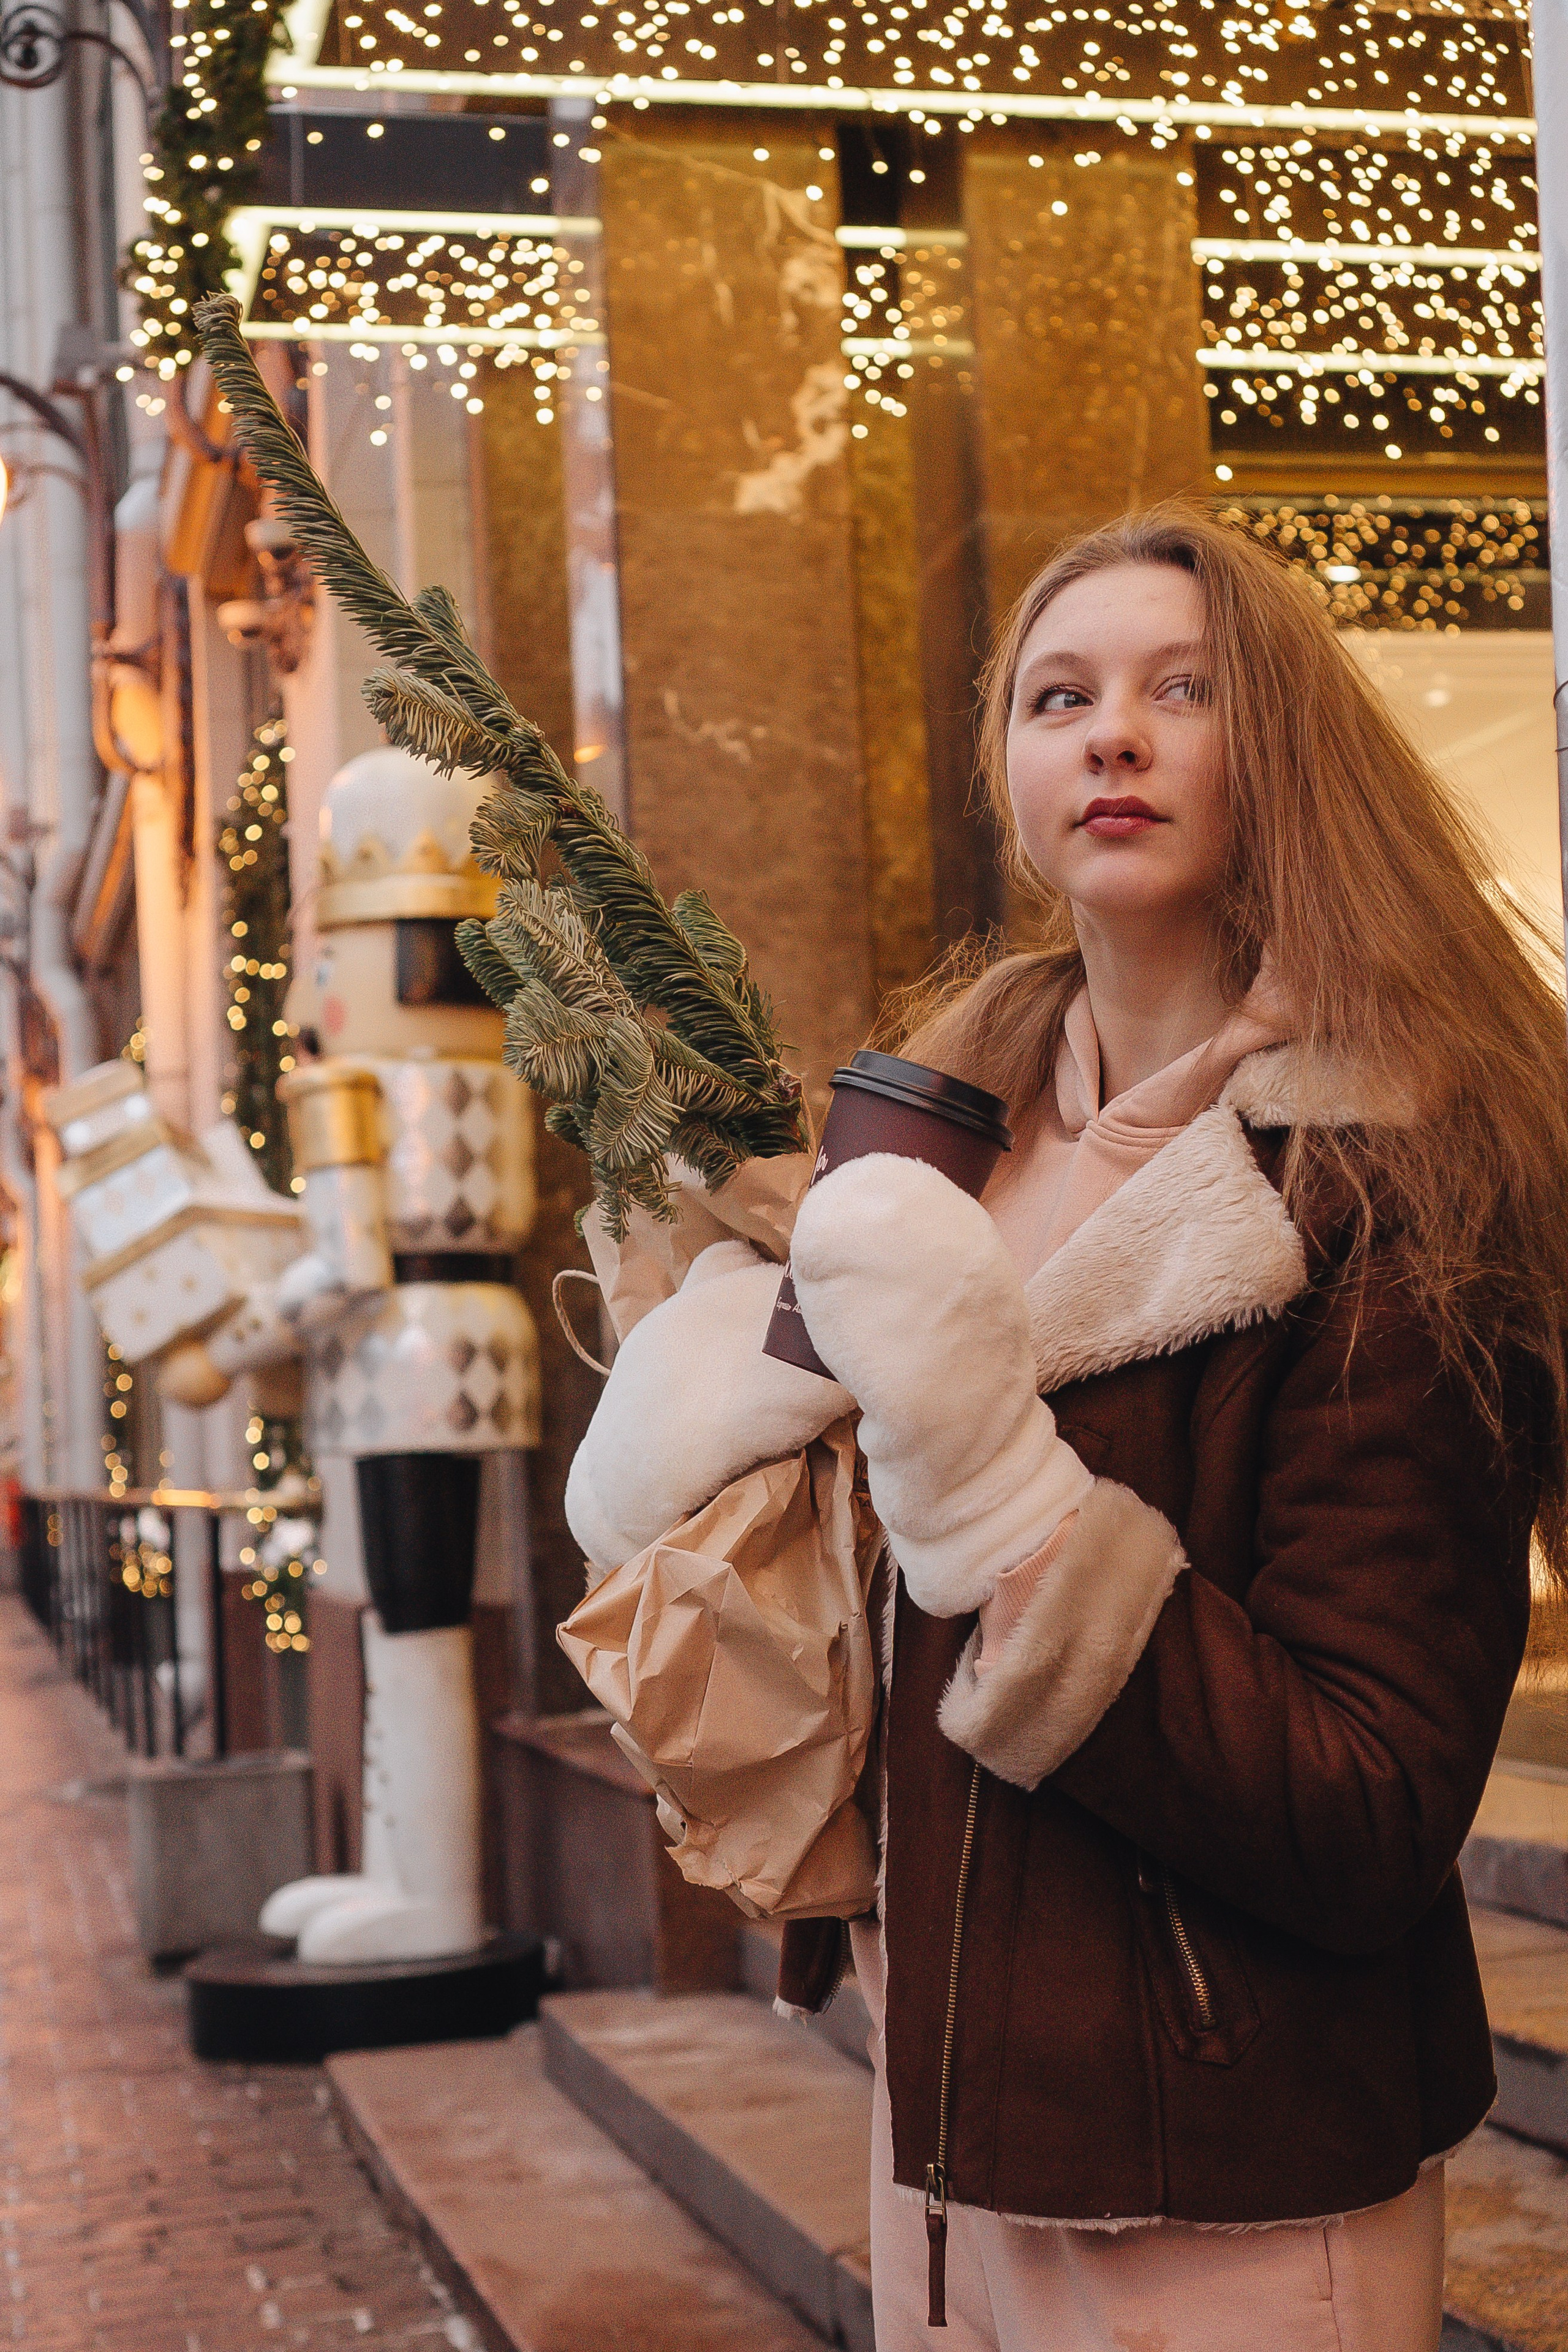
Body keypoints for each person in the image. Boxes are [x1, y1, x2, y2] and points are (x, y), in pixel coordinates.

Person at [564, 503, 1568, 2350]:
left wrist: (999, 1488)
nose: (1111, 733)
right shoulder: (932, 1136)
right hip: (946, 2130)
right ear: (1008, 777)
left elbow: (1367, 1803)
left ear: (1283, 754)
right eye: (1058, 696)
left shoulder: (1386, 1187)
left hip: (1235, 2163)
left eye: (1182, 690)